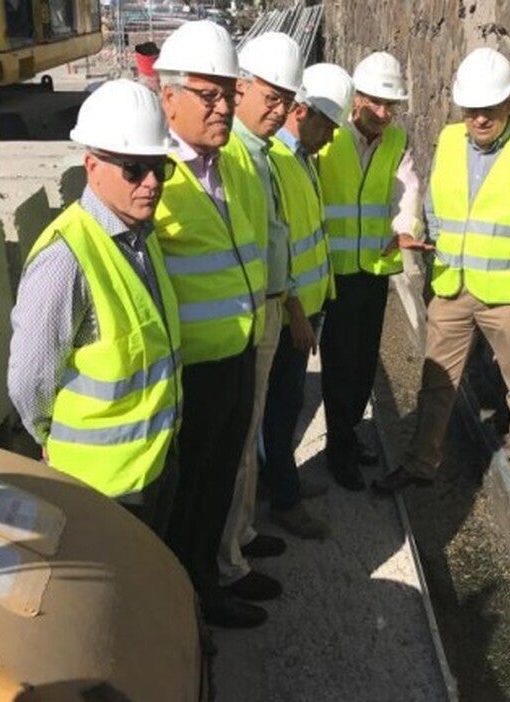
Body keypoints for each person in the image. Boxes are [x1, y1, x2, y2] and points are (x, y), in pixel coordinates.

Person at [372, 47, 510, 509]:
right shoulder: (449, 139)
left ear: (509, 104)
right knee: (437, 381)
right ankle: (421, 463)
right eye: (472, 110)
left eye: (489, 109)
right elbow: (437, 208)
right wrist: (436, 267)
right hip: (453, 290)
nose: (479, 119)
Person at [7, 79, 182, 536]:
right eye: (133, 169)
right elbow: (30, 381)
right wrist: (50, 439)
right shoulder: (66, 259)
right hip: (100, 490)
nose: (151, 183)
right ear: (91, 166)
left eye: (160, 168)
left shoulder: (140, 237)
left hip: (153, 465)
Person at [152, 20, 269, 629]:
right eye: (208, 95)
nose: (223, 107)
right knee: (189, 495)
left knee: (219, 481)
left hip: (238, 353)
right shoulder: (152, 178)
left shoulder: (229, 168)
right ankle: (184, 606)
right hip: (192, 372)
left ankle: (207, 586)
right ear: (168, 97)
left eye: (227, 93)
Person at [213, 31, 303, 607]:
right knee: (236, 441)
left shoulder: (260, 155)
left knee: (247, 441)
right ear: (241, 88)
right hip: (246, 317)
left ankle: (241, 536)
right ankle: (227, 564)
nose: (276, 110)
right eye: (267, 97)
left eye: (283, 100)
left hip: (267, 308)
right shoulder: (235, 155)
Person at [315, 51, 425, 491]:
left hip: (375, 268)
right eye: (376, 102)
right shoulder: (330, 136)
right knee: (340, 363)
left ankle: (350, 433)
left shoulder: (396, 141)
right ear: (357, 97)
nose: (383, 113)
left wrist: (403, 229)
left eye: (390, 105)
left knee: (364, 362)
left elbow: (408, 190)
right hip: (336, 270)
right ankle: (338, 447)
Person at [259, 62, 355, 539]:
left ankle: (280, 479)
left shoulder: (300, 159)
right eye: (328, 127)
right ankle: (284, 500)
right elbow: (278, 243)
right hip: (289, 313)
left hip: (309, 306)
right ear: (303, 112)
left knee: (287, 402)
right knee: (283, 405)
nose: (331, 138)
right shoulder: (275, 160)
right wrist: (296, 310)